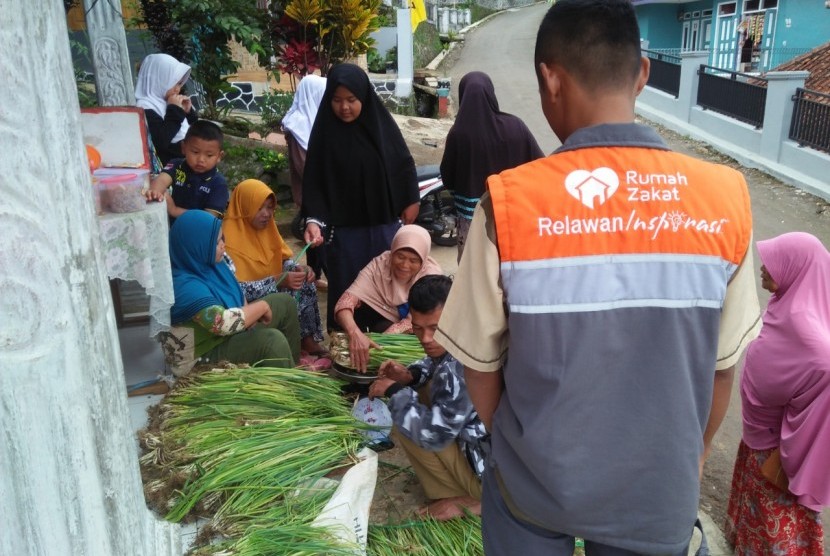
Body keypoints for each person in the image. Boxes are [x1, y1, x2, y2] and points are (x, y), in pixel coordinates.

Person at [434, 0, 761, 553]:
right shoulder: (725, 199)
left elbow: (479, 366)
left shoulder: (509, 205)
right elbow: (722, 373)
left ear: (548, 79)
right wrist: (689, 460)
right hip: (654, 496)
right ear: (643, 75)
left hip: (533, 491)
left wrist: (523, 454)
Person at [725, 232, 829, 555]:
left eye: (773, 262)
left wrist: (794, 433)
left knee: (775, 528)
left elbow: (823, 365)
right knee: (756, 514)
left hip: (776, 451)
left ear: (796, 268)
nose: (764, 267)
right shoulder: (788, 303)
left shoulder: (805, 328)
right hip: (757, 440)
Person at [301, 63, 420, 330]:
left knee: (387, 287)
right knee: (348, 290)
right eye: (337, 100)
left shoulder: (381, 128)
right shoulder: (325, 136)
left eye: (352, 100)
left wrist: (411, 199)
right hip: (344, 237)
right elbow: (314, 184)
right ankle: (348, 344)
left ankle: (386, 342)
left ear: (364, 97)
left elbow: (402, 162)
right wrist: (313, 221)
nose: (344, 107)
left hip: (382, 229)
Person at [369, 275, 487, 521]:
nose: (425, 339)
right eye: (418, 328)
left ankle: (468, 498)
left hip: (499, 486)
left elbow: (433, 434)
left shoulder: (461, 369)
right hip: (508, 464)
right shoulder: (473, 335)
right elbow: (435, 363)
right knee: (421, 391)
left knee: (406, 419)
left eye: (435, 328)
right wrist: (408, 376)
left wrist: (394, 393)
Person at [159, 210, 301, 376]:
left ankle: (292, 369)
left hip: (222, 336)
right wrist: (260, 308)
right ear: (197, 245)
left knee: (285, 303)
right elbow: (222, 323)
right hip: (201, 355)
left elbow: (238, 295)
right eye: (217, 241)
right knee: (272, 341)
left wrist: (249, 314)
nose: (223, 245)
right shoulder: (184, 285)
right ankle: (288, 390)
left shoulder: (209, 264)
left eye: (222, 238)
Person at [440, 71, 544, 261]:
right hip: (513, 213)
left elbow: (447, 176)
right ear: (491, 94)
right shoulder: (516, 126)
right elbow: (538, 164)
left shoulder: (458, 134)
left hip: (472, 220)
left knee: (474, 270)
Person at [222, 179, 327, 361]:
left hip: (271, 291)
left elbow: (282, 260)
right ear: (244, 206)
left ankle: (307, 340)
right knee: (286, 292)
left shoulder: (268, 230)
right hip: (246, 306)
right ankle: (289, 349)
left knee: (304, 281)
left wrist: (298, 268)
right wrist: (278, 280)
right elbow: (236, 290)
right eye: (259, 207)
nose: (266, 214)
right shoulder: (225, 241)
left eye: (270, 207)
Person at [334, 225, 442, 372]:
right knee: (359, 316)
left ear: (422, 260)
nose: (405, 265)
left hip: (419, 332)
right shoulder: (380, 264)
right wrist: (355, 334)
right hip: (388, 320)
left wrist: (379, 343)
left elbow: (415, 322)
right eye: (400, 256)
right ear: (392, 252)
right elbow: (345, 301)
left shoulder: (431, 276)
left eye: (413, 260)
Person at [282, 74, 328, 285]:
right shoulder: (299, 125)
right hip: (313, 191)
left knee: (317, 235)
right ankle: (319, 275)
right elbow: (304, 166)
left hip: (318, 191)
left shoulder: (312, 120)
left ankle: (316, 275)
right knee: (319, 235)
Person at [145, 120, 228, 220]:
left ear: (219, 156)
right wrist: (155, 191)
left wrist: (174, 210)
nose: (201, 159)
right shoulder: (177, 165)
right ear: (183, 148)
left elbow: (208, 219)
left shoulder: (218, 183)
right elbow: (162, 180)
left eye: (209, 155)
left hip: (195, 232)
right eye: (195, 152)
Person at [135, 53, 198, 165]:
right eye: (174, 83)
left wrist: (188, 113)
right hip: (169, 168)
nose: (178, 89)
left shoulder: (165, 101)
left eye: (180, 84)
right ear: (158, 81)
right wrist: (174, 110)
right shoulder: (145, 107)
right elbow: (161, 141)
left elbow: (192, 130)